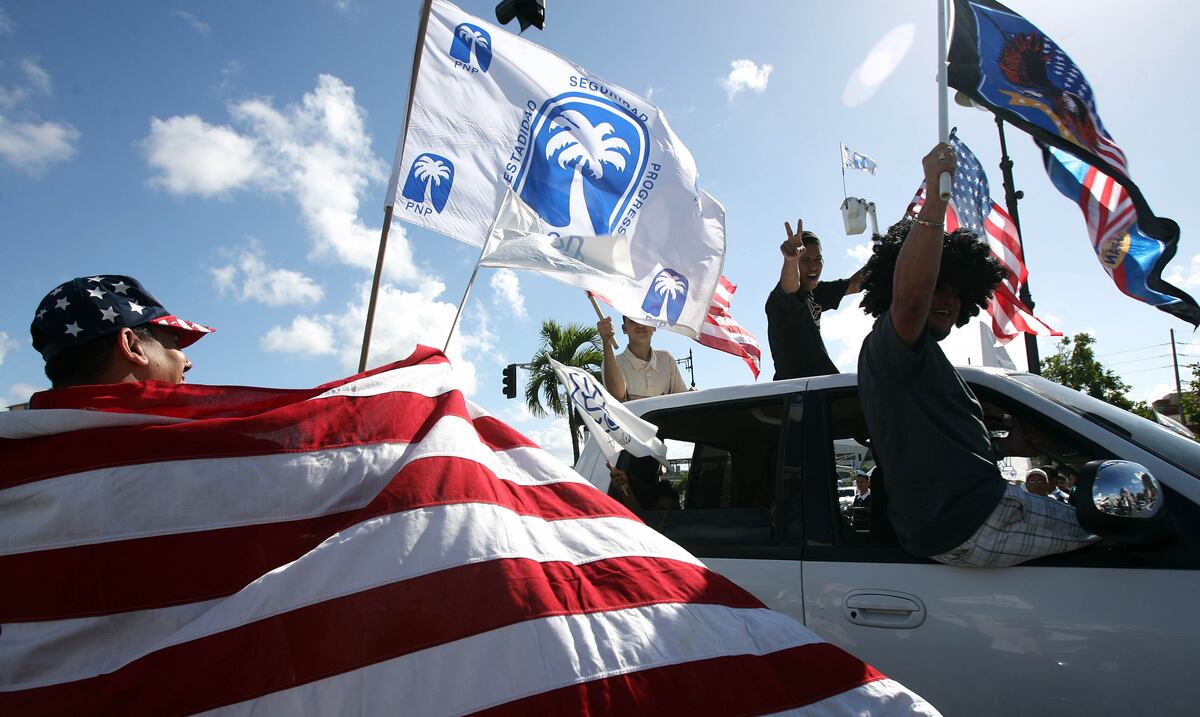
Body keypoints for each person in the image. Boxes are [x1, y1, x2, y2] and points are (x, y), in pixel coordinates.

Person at [856, 142, 1097, 568]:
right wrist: (935, 199)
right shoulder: (890, 346)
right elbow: (910, 301)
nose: (946, 299)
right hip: (973, 520)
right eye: (936, 286)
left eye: (956, 291)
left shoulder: (923, 365)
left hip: (965, 517)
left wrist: (1007, 447)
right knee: (1131, 534)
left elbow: (937, 454)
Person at [28, 275, 213, 400]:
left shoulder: (14, 446)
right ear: (131, 345)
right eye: (173, 342)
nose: (188, 363)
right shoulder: (208, 446)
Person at [765, 219, 865, 380]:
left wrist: (890, 253)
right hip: (798, 390)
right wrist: (790, 260)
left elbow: (855, 284)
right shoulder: (781, 299)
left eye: (818, 260)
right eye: (804, 260)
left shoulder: (817, 292)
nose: (813, 266)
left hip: (825, 386)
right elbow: (789, 286)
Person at [597, 315, 687, 401]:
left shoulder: (666, 359)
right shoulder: (611, 363)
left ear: (654, 326)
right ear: (624, 329)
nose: (640, 325)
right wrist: (607, 341)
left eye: (645, 319)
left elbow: (682, 399)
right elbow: (617, 395)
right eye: (633, 321)